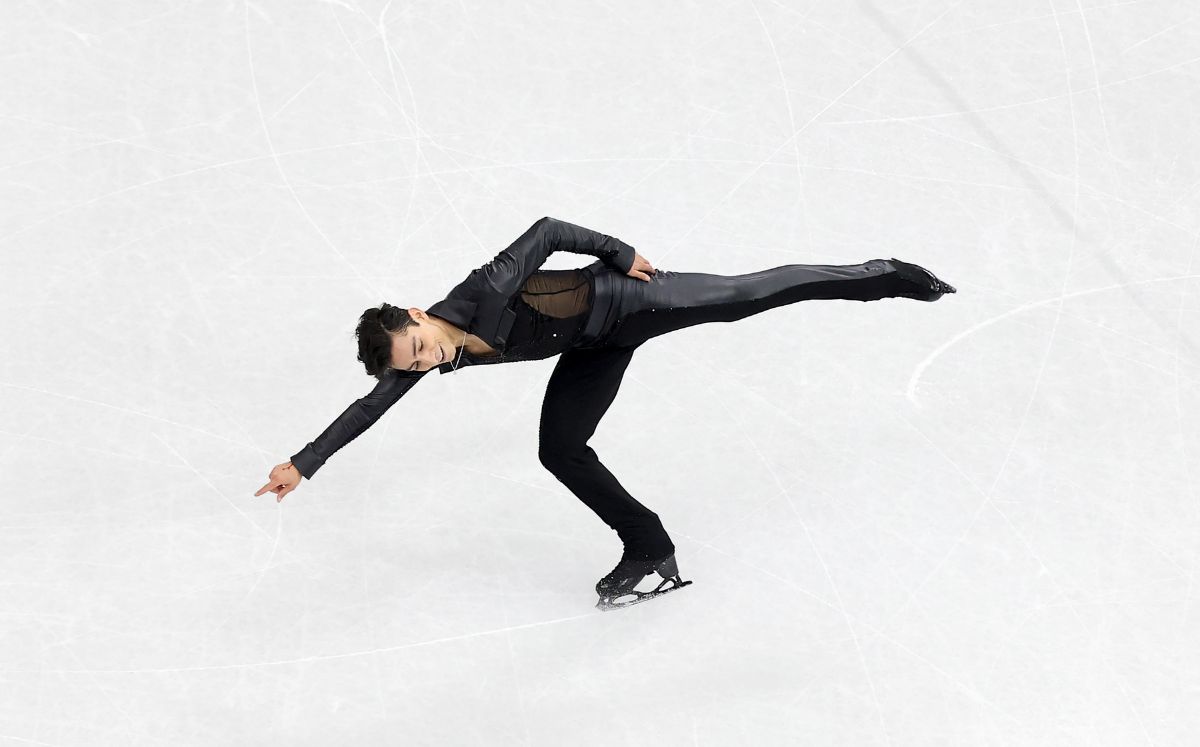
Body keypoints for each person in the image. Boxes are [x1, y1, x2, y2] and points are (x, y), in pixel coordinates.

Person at [254, 216, 956, 610]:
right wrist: (302, 464)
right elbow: (367, 409)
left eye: (417, 347)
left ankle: (879, 277)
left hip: (630, 300)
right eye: (412, 365)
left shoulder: (480, 291)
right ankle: (649, 544)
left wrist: (621, 252)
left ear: (416, 314)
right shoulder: (432, 356)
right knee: (559, 448)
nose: (424, 363)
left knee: (749, 293)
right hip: (593, 345)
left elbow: (547, 228)